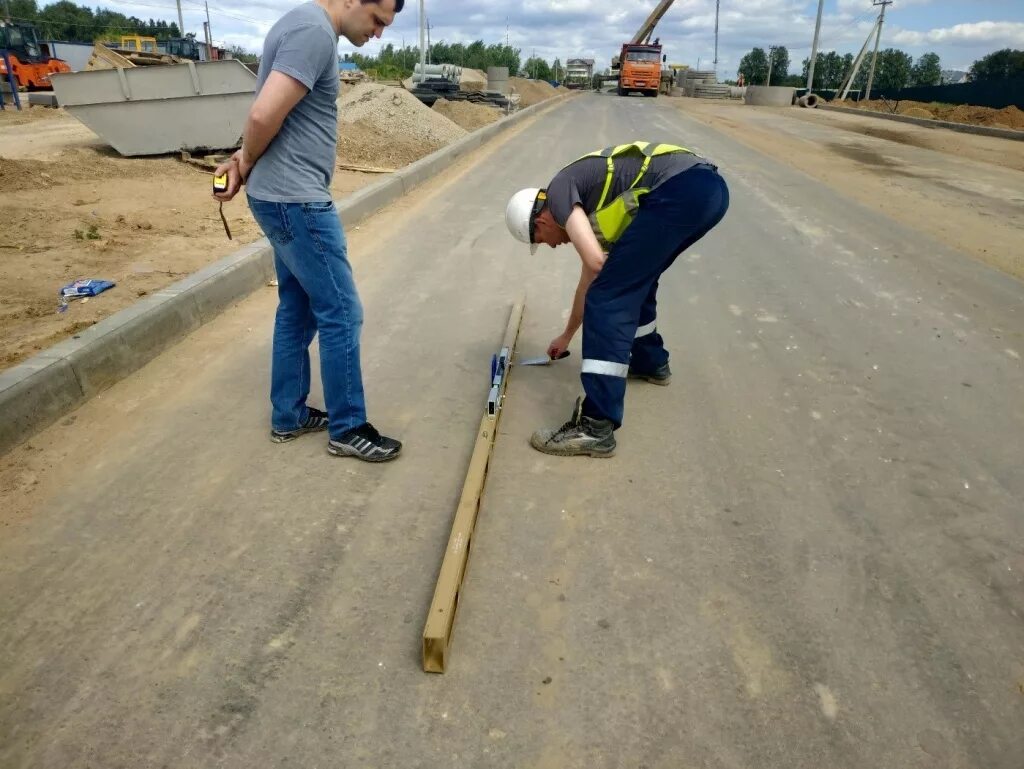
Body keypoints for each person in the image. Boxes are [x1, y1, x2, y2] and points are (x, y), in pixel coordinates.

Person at [213, 0, 404, 462]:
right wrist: (247, 160)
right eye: (377, 20)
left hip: (283, 195)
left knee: (298, 308)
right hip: (296, 200)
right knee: (342, 311)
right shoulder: (314, 31)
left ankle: (289, 415)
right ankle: (348, 426)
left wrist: (245, 162)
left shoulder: (301, 23)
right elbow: (263, 115)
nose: (378, 34)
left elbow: (272, 114)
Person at [505, 141, 730, 457]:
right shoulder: (588, 205)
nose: (551, 246)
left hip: (683, 191)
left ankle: (595, 427)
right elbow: (589, 278)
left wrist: (599, 299)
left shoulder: (558, 195)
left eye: (540, 241)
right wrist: (566, 335)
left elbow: (597, 270)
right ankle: (651, 362)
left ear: (540, 222)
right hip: (707, 191)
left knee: (610, 298)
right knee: (636, 282)